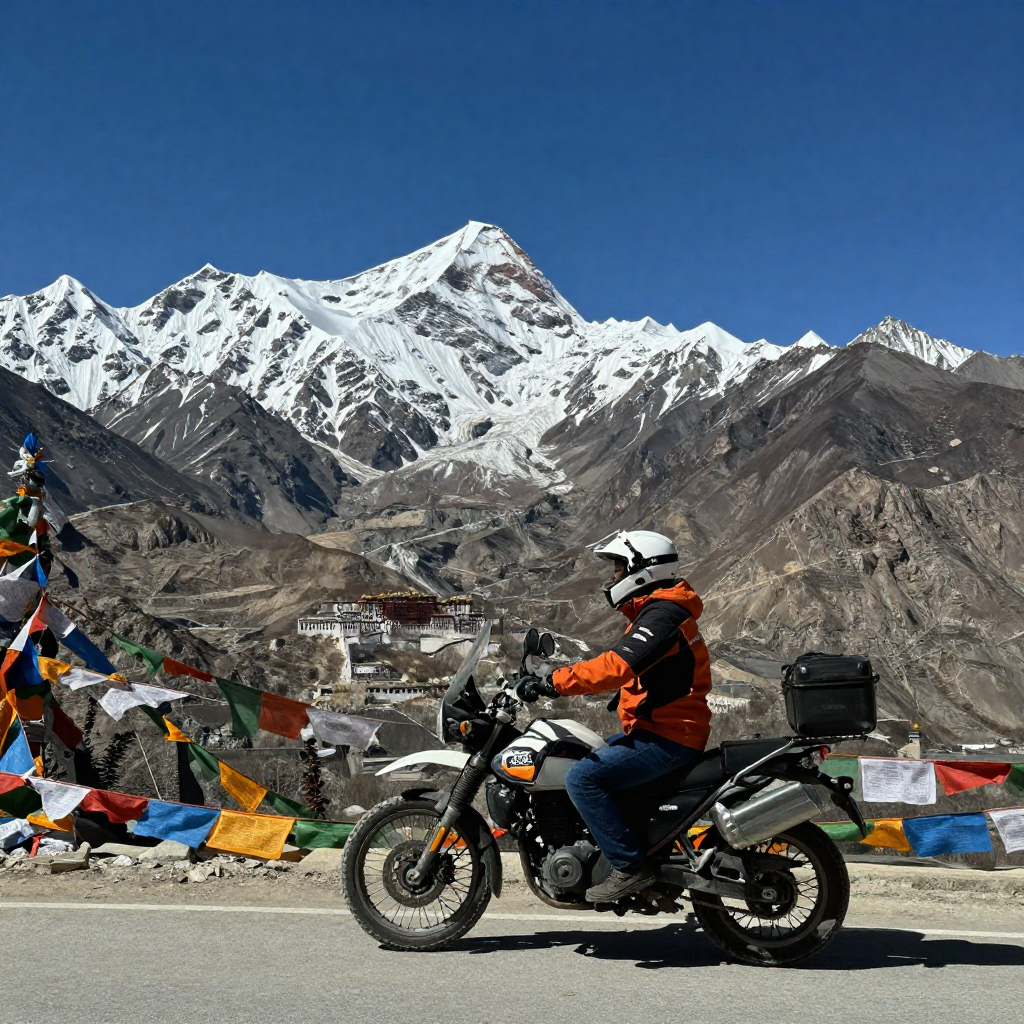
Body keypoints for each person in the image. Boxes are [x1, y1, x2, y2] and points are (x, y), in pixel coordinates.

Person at [522, 529, 712, 903]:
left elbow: (617, 666)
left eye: (619, 567)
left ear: (643, 569)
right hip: (660, 731)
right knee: (583, 754)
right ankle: (619, 851)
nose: (613, 577)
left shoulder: (663, 615)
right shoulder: (661, 610)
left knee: (583, 778)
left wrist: (553, 682)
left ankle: (628, 867)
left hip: (668, 737)